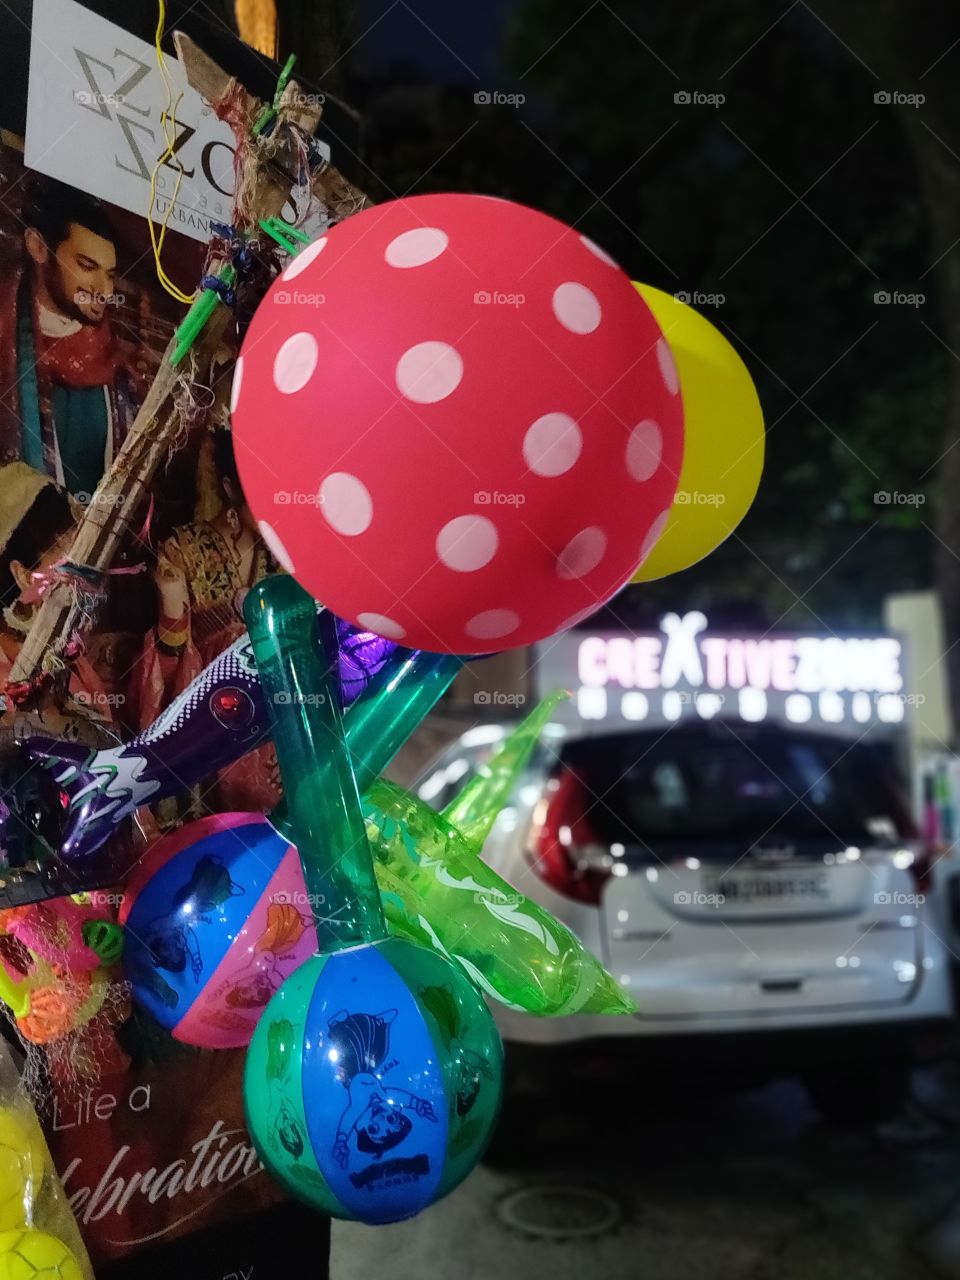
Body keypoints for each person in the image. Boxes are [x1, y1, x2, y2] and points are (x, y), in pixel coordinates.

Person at [133, 427, 280, 816]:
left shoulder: (282, 561)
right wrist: (172, 604)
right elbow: (168, 663)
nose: (273, 515)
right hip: (210, 712)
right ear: (231, 489)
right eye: (261, 501)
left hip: (274, 719)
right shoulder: (181, 550)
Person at [0, 180, 142, 497]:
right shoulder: (6, 340)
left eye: (109, 274)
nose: (104, 292)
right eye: (86, 266)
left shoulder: (117, 376)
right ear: (38, 247)